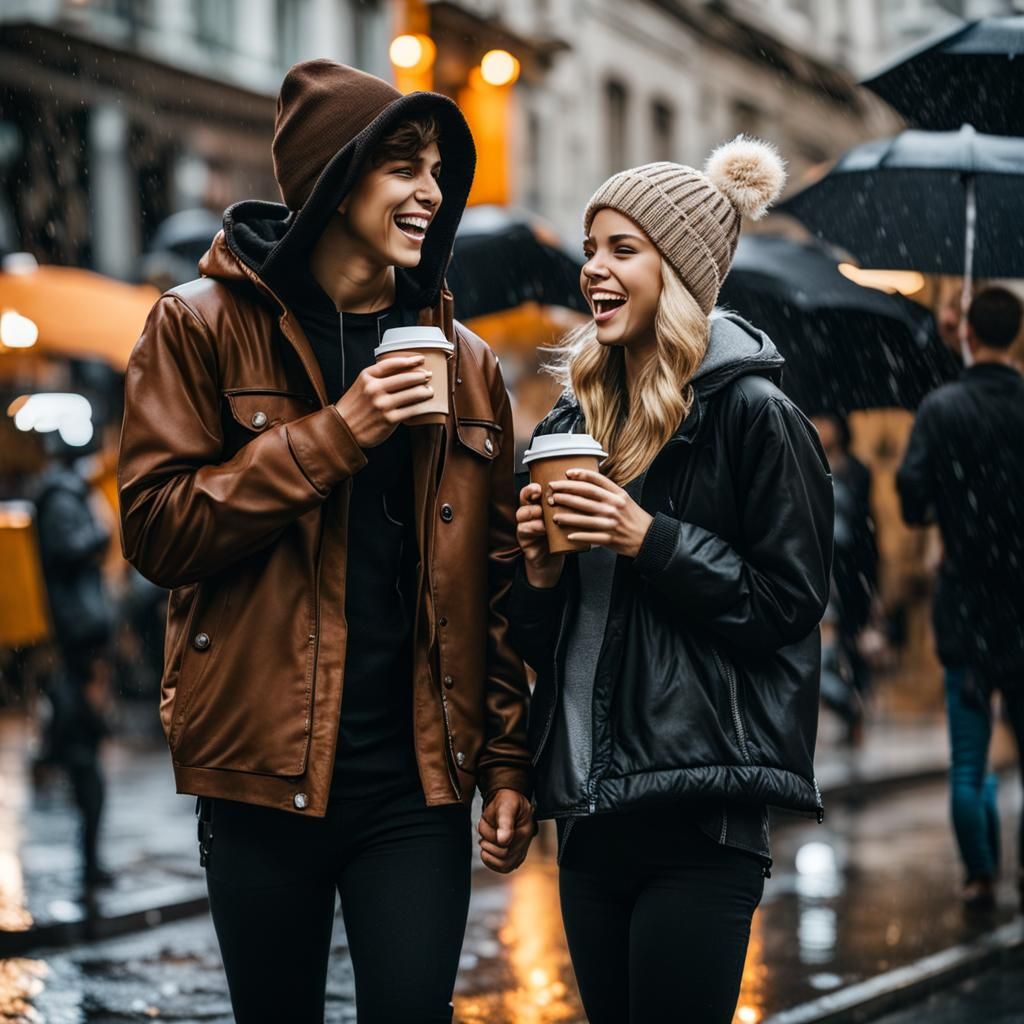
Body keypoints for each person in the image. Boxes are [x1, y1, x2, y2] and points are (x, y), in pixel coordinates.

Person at [118, 60, 534, 1023]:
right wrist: (340, 433)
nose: (431, 192)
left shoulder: (467, 362)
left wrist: (508, 761)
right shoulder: (198, 326)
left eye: (438, 171)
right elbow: (158, 530)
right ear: (336, 180)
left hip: (418, 785)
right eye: (403, 167)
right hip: (260, 772)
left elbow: (494, 583)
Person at [505, 142, 834, 1023]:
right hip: (590, 810)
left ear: (680, 271)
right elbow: (542, 638)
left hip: (701, 812)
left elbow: (788, 604)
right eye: (591, 248)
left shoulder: (756, 415)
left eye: (623, 248)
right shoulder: (573, 419)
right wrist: (537, 572)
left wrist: (649, 538)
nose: (593, 269)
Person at [897, 285, 1024, 913]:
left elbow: (912, 500)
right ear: (1017, 335)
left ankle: (979, 875)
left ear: (968, 333)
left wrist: (949, 512)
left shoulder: (942, 409)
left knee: (969, 761)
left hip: (966, 604)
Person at [33, 448, 115, 889]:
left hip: (80, 640)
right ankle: (90, 862)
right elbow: (75, 550)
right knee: (82, 750)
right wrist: (101, 526)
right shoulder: (64, 499)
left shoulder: (64, 496)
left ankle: (91, 859)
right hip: (78, 640)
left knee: (79, 746)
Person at [813, 413, 878, 745]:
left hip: (849, 572)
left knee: (850, 644)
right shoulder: (807, 461)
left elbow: (864, 527)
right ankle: (847, 706)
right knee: (821, 650)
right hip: (819, 567)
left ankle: (853, 709)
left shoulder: (855, 471)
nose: (821, 428)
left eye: (825, 422)